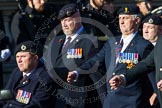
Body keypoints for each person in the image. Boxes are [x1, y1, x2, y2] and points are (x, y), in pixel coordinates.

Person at [67, 5, 157, 108]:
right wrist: (77, 72)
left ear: (136, 20)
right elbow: (96, 60)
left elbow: (151, 73)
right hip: (111, 101)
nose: (122, 22)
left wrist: (155, 94)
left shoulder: (143, 46)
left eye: (126, 18)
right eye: (120, 18)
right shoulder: (112, 42)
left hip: (132, 102)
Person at [44, 3, 105, 108]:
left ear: (78, 19)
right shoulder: (55, 41)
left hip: (77, 101)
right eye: (62, 21)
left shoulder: (90, 42)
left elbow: (93, 72)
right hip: (55, 98)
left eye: (67, 20)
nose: (64, 25)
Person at [109, 15, 162, 108]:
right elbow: (146, 64)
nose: (145, 30)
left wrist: (155, 93)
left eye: (150, 27)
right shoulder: (160, 44)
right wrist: (123, 78)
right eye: (144, 27)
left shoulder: (146, 45)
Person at [0, 41, 54, 108]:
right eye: (17, 57)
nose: (19, 60)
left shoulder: (45, 77)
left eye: (23, 56)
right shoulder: (17, 72)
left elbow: (37, 105)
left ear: (35, 58)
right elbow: (5, 96)